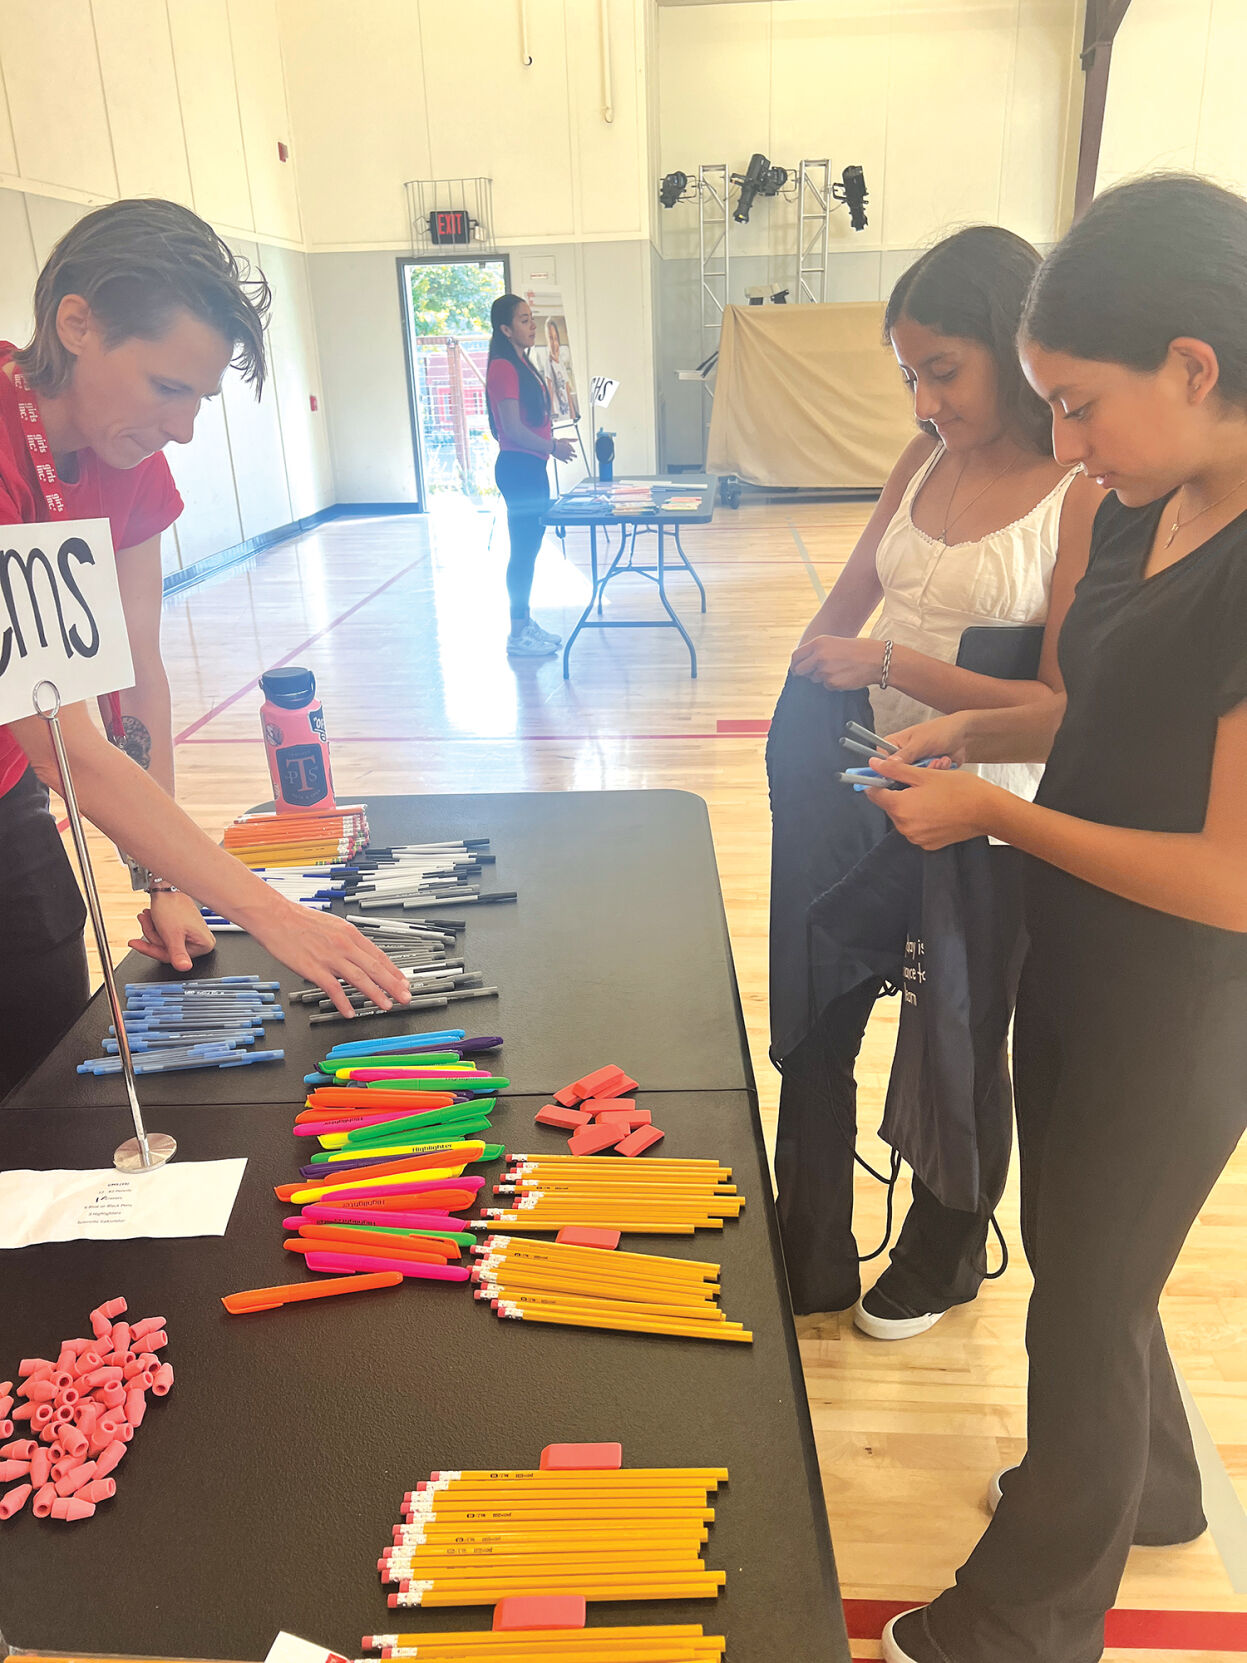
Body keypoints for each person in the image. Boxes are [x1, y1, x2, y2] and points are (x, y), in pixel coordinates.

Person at [871, 175, 1247, 1663]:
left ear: (1191, 364)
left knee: (1077, 1294)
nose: (1067, 445)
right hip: (1077, 939)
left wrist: (1001, 815)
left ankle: (1026, 1614)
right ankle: (1145, 1479)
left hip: (1180, 984)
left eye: (1079, 406)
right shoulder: (1133, 503)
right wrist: (967, 743)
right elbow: (1081, 713)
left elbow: (1230, 874)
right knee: (1091, 1247)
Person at [0, 198, 409, 1096]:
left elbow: (138, 677)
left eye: (200, 396)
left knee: (41, 1052)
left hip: (6, 789)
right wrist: (268, 913)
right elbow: (66, 744)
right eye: (165, 387)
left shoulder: (128, 456)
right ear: (76, 324)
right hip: (33, 757)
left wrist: (165, 881)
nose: (182, 428)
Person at [770, 227, 1100, 1332]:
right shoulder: (921, 458)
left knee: (954, 1027)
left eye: (942, 371)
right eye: (907, 372)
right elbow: (846, 601)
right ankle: (808, 1233)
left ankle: (946, 1241)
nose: (923, 398)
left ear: (1012, 350)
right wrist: (809, 693)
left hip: (986, 814)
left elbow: (1058, 708)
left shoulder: (1074, 493)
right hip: (871, 779)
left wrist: (890, 663)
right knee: (816, 1011)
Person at [486, 295, 576, 659]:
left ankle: (524, 623)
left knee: (530, 551)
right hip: (519, 469)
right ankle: (517, 632)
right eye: (523, 320)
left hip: (530, 467)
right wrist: (552, 445)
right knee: (523, 553)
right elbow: (511, 429)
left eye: (531, 318)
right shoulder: (503, 368)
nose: (532, 325)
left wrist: (547, 445)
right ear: (506, 329)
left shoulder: (523, 364)